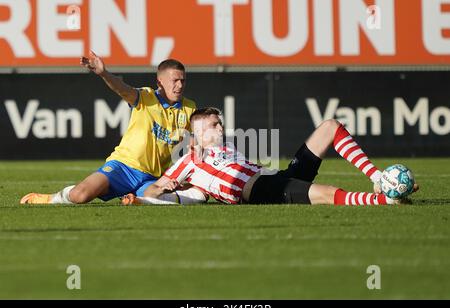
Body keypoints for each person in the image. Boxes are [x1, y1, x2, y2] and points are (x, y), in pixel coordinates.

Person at [122, 107, 418, 206]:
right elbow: (153, 188)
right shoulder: (188, 161)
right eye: (214, 124)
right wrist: (162, 189)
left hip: (276, 178)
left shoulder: (226, 148)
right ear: (197, 132)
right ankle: (385, 200)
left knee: (330, 126)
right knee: (328, 194)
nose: (221, 127)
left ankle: (379, 179)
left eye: (220, 122)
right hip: (259, 191)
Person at [20, 51, 203, 204]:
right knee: (80, 195)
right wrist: (103, 73)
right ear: (159, 82)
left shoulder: (189, 107)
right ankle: (49, 198)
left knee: (167, 195)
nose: (179, 85)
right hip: (123, 167)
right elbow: (122, 89)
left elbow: (192, 143)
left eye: (183, 81)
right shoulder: (146, 97)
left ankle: (135, 200)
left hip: (153, 177)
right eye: (175, 80)